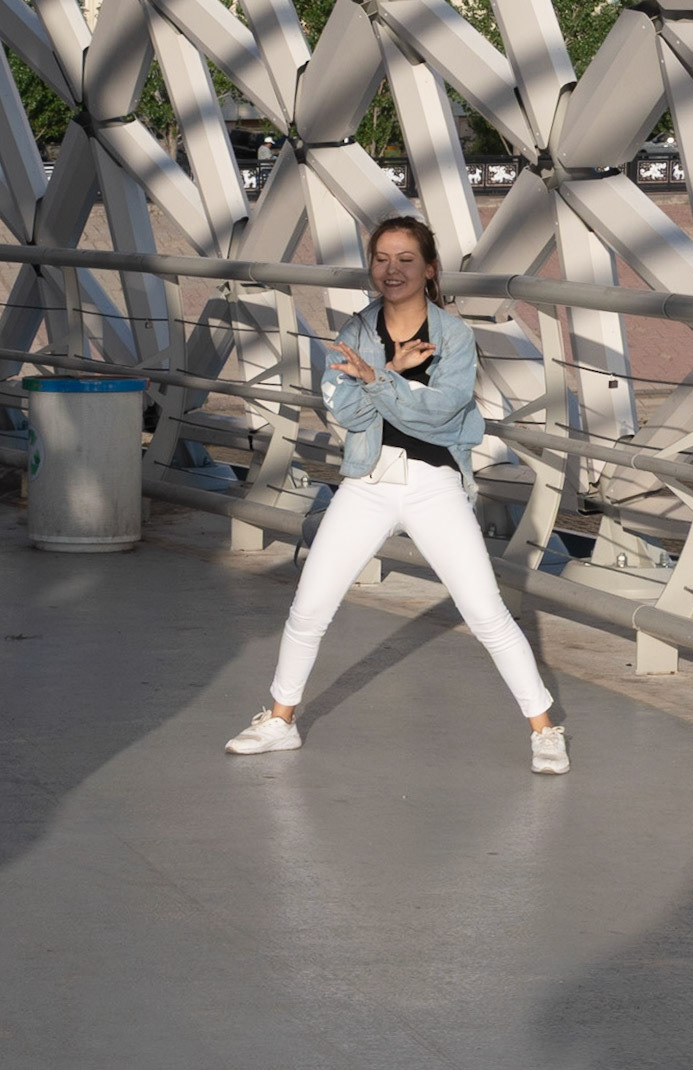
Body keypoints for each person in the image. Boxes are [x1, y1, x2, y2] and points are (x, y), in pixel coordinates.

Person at [222, 215, 570, 775]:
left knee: (485, 612)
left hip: (434, 486)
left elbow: (442, 413)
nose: (393, 269)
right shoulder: (354, 333)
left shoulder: (453, 336)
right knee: (308, 607)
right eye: (382, 258)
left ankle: (545, 729)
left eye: (406, 259)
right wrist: (393, 373)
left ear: (429, 268)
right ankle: (281, 720)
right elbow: (344, 409)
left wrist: (376, 381)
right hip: (366, 482)